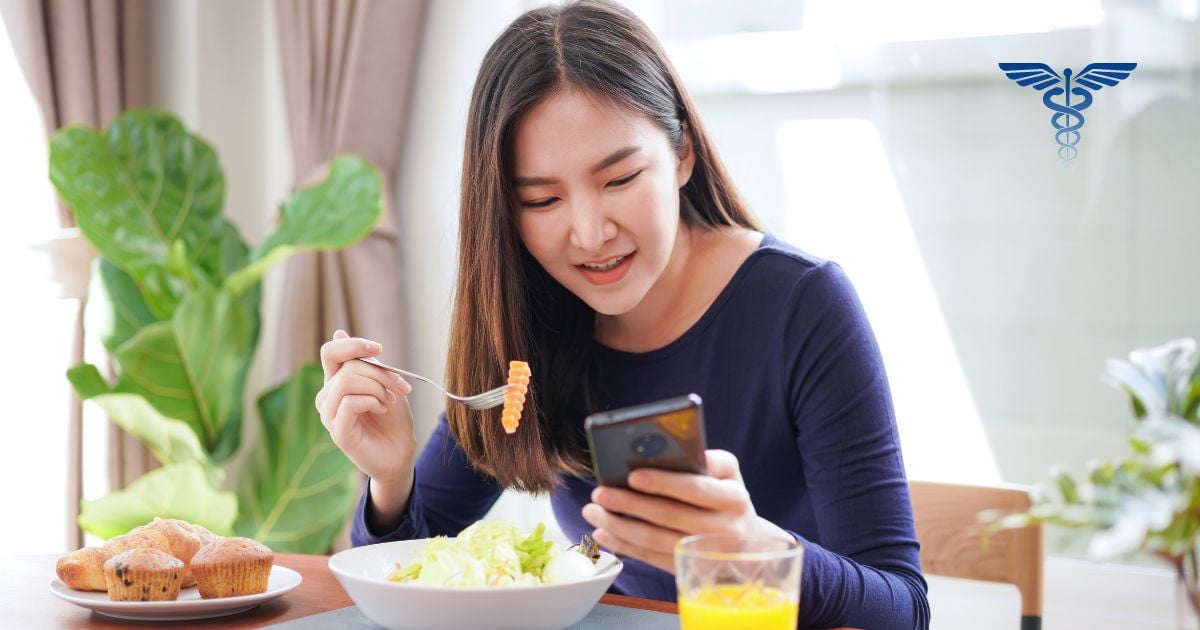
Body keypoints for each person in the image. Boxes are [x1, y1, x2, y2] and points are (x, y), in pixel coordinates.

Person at [314, 1, 929, 627]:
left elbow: (904, 605)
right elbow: (403, 578)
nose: (589, 232)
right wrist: (391, 480)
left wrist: (755, 549)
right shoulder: (532, 324)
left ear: (682, 152)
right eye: (543, 198)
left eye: (620, 179)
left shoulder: (802, 305)